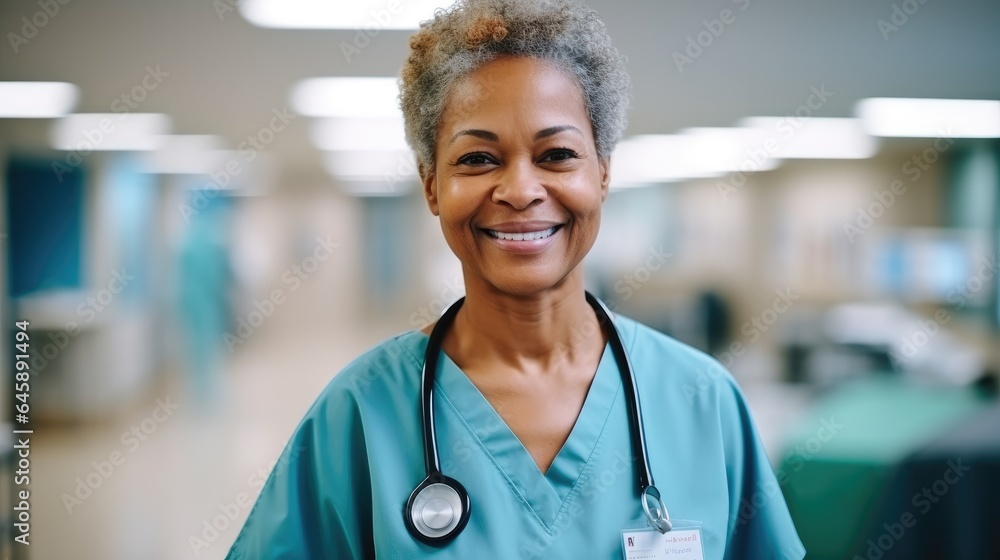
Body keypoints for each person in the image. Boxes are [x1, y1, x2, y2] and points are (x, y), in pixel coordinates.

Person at [226, 0, 805, 558]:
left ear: (603, 174)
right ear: (431, 185)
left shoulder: (703, 400)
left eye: (556, 155)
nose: (521, 190)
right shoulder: (360, 412)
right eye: (478, 159)